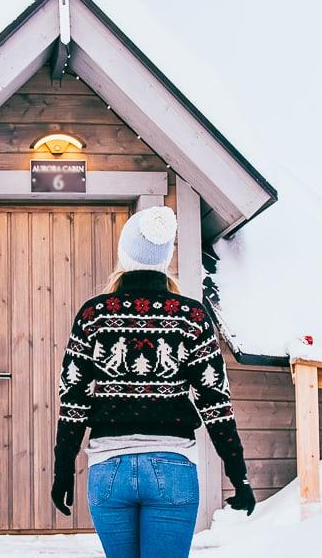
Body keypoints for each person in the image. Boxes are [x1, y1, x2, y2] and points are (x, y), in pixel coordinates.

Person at [51, 206, 255, 558]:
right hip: (172, 468)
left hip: (108, 471)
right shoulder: (191, 316)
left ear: (123, 254)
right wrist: (239, 476)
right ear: (165, 258)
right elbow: (215, 402)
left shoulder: (93, 315)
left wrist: (63, 470)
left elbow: (74, 401)